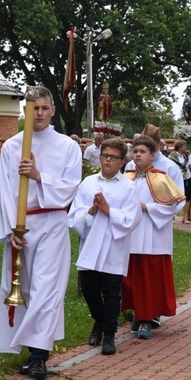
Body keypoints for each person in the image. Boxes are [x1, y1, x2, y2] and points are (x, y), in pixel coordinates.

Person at [0, 86, 82, 380]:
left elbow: (71, 187)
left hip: (52, 223)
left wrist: (38, 176)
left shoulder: (67, 147)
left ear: (53, 110)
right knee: (27, 288)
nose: (39, 114)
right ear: (25, 111)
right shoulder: (11, 146)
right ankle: (34, 347)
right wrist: (10, 229)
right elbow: (5, 192)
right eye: (34, 109)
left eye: (44, 108)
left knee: (47, 288)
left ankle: (38, 356)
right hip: (22, 225)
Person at [68, 138, 142, 355]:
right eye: (105, 156)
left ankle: (109, 334)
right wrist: (91, 211)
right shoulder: (88, 183)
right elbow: (74, 214)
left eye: (114, 157)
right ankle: (99, 321)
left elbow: (132, 218)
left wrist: (109, 210)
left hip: (113, 245)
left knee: (111, 291)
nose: (108, 160)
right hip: (91, 242)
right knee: (89, 289)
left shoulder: (129, 187)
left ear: (122, 162)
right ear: (99, 157)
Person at [121, 136, 185, 339]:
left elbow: (173, 205)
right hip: (131, 234)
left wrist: (147, 207)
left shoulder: (161, 177)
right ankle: (138, 315)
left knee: (149, 279)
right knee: (132, 278)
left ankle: (148, 319)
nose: (137, 154)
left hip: (152, 235)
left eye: (142, 151)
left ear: (152, 155)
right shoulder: (126, 176)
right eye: (135, 151)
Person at [168, 139, 191, 223]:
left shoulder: (185, 156)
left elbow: (187, 165)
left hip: (186, 177)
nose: (185, 147)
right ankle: (172, 216)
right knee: (174, 196)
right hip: (176, 178)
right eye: (184, 146)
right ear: (179, 147)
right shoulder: (172, 156)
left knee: (187, 197)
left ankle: (185, 217)